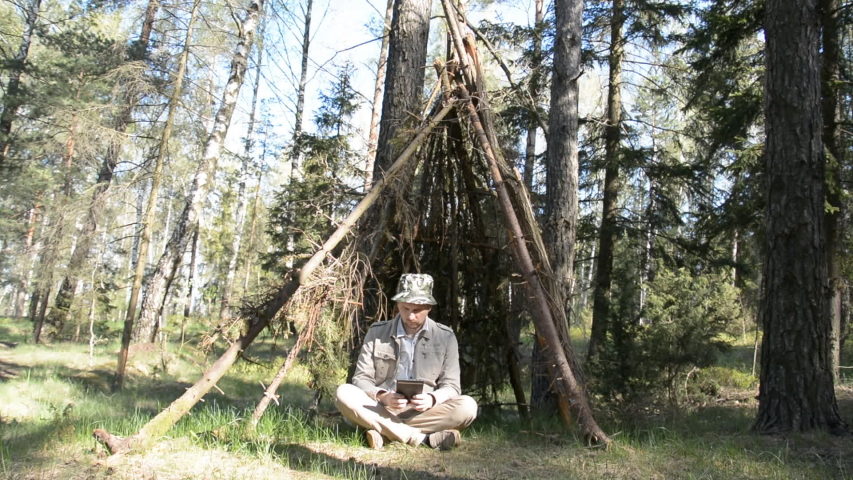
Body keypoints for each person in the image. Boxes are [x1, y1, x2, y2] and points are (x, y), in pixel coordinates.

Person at [335, 273, 478, 450]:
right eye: (405, 308)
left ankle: (384, 433)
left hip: (424, 412)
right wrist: (383, 396)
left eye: (417, 310)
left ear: (429, 307)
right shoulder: (377, 332)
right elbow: (361, 379)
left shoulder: (445, 336)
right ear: (398, 305)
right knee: (344, 392)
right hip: (382, 408)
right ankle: (422, 439)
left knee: (467, 407)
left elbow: (452, 386)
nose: (410, 316)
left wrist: (432, 399)